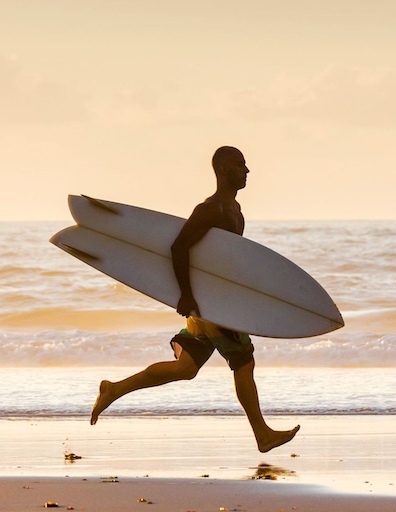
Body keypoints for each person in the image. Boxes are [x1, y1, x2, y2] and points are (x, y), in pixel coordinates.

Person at [90, 146, 300, 453]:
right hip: (213, 305)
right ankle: (262, 435)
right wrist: (187, 294)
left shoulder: (234, 209)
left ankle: (114, 388)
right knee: (244, 361)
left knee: (185, 369)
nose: (247, 170)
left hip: (210, 303)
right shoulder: (211, 209)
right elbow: (179, 248)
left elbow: (221, 260)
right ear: (225, 169)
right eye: (241, 164)